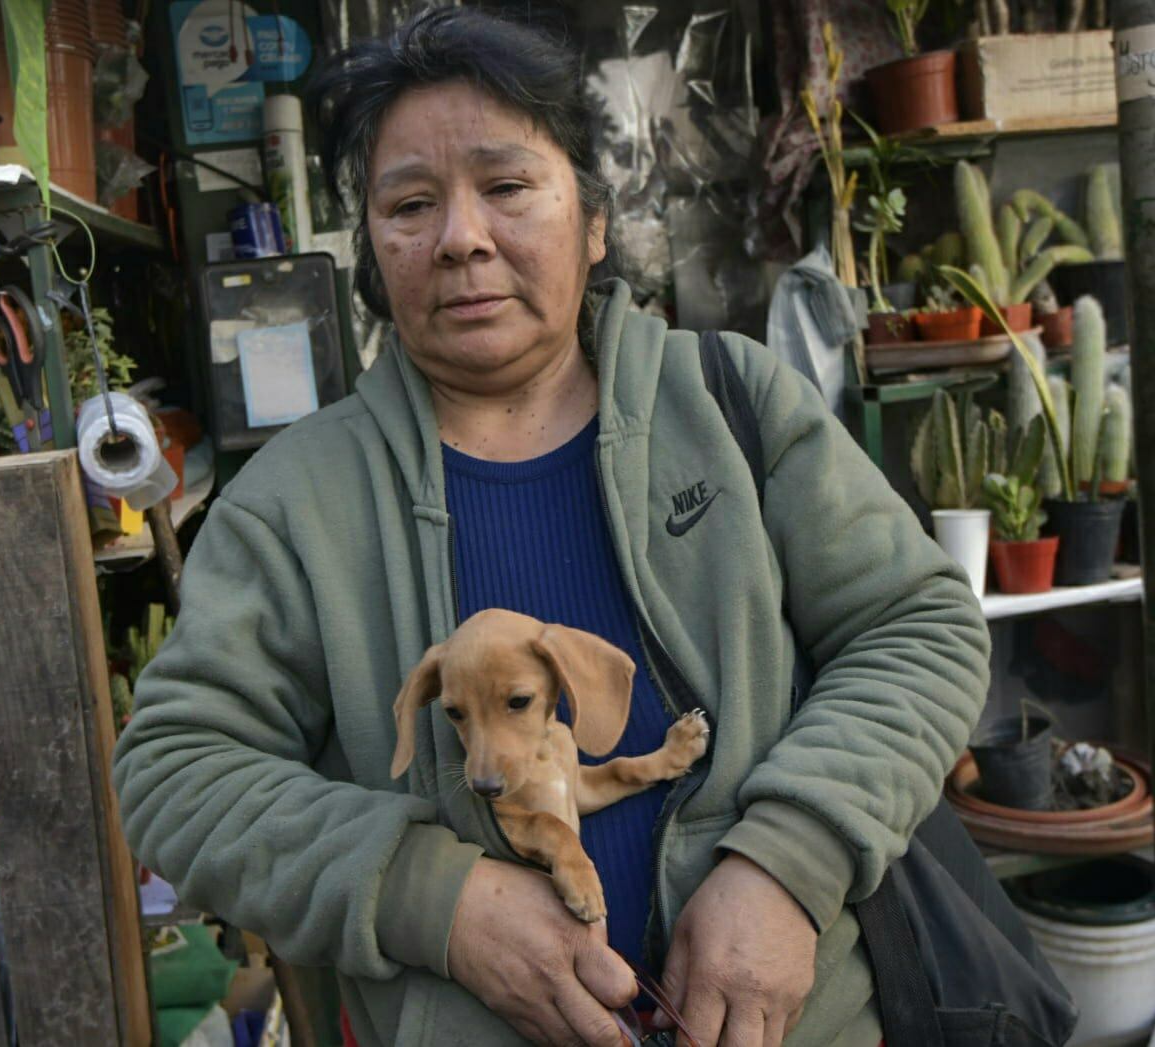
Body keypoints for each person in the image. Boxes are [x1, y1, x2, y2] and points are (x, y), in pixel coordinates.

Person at [114, 8, 991, 1046]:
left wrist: (788, 863)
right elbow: (177, 769)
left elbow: (918, 630)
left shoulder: (730, 407)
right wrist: (433, 900)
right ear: (372, 253)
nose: (461, 238)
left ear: (594, 220)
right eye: (409, 203)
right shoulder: (296, 504)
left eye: (507, 186)